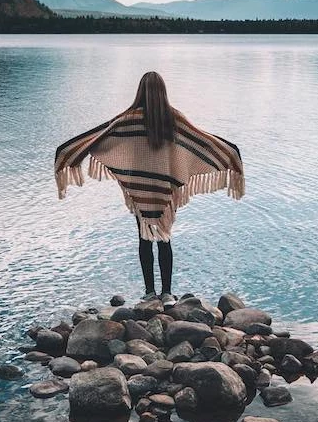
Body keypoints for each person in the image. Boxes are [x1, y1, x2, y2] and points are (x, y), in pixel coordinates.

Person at [55, 71, 244, 304]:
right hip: (165, 184)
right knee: (165, 238)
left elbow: (100, 136)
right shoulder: (174, 118)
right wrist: (229, 150)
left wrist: (71, 150)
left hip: (140, 186)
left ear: (140, 91)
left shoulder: (129, 119)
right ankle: (167, 293)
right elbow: (200, 139)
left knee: (144, 238)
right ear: (163, 92)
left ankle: (148, 292)